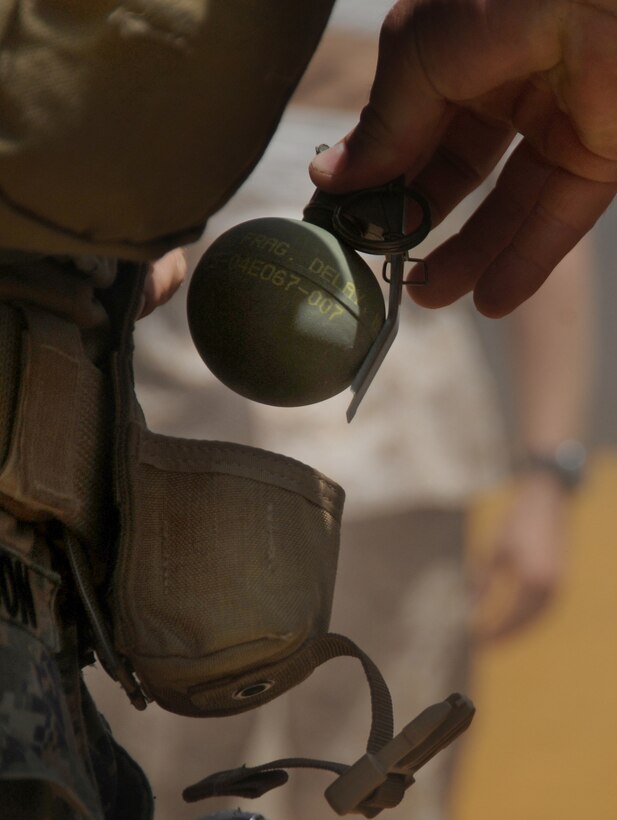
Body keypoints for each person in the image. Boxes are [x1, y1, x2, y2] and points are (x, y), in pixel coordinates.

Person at [0, 1, 613, 818]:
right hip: (172, 421)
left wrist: (547, 470)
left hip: (396, 438)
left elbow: (541, 237)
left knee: (382, 769)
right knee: (161, 761)